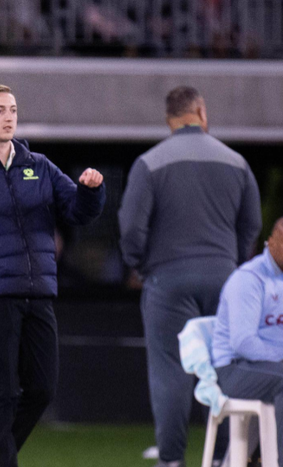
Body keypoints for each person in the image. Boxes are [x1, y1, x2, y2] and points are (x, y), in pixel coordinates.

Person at [119, 85, 262, 467]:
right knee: (225, 370)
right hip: (225, 280)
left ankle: (171, 460)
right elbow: (252, 224)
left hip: (167, 281)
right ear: (201, 111)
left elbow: (130, 229)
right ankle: (224, 458)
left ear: (169, 119)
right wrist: (231, 263)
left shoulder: (149, 163)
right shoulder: (237, 163)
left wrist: (142, 265)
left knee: (171, 372)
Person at [0, 84, 105, 467]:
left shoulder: (39, 165)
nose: (9, 117)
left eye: (12, 109)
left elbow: (77, 211)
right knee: (0, 391)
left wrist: (90, 191)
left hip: (40, 292)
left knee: (42, 389)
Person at [212, 218, 283, 467]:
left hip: (270, 367)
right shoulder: (250, 279)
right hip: (234, 368)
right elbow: (243, 343)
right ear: (271, 242)